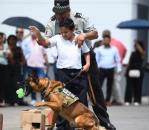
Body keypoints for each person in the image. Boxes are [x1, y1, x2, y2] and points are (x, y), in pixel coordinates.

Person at [45, 0, 116, 129]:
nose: (60, 16)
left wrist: (84, 35)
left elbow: (95, 33)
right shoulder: (52, 22)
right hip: (65, 63)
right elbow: (46, 40)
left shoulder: (80, 17)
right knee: (64, 94)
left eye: (62, 13)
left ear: (68, 9)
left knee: (94, 92)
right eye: (57, 13)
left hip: (85, 59)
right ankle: (65, 125)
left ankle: (104, 121)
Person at [29, 17, 90, 130]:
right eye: (61, 32)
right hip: (63, 73)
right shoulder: (57, 38)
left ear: (73, 30)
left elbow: (86, 52)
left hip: (78, 73)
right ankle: (62, 126)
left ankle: (82, 125)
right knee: (61, 101)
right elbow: (44, 42)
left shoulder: (79, 38)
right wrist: (38, 33)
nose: (64, 34)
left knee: (81, 101)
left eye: (66, 32)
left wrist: (87, 64)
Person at [94, 35, 122, 106]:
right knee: (99, 85)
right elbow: (96, 60)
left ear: (110, 41)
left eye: (107, 40)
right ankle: (98, 100)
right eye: (105, 40)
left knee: (109, 86)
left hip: (111, 69)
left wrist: (119, 69)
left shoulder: (114, 49)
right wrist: (96, 69)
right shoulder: (99, 49)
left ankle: (108, 100)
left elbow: (118, 60)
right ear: (103, 41)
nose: (106, 41)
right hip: (102, 69)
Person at [102, 30, 126, 106]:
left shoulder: (114, 46)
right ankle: (113, 99)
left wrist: (119, 65)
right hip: (102, 67)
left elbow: (118, 58)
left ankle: (113, 100)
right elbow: (125, 50)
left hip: (112, 67)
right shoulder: (100, 45)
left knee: (112, 85)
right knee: (111, 85)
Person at [124, 40, 145, 106]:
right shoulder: (133, 53)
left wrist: (137, 43)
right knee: (129, 87)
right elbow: (129, 62)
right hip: (130, 70)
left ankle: (137, 100)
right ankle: (128, 100)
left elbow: (142, 52)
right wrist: (126, 70)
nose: (135, 46)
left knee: (138, 86)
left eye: (136, 45)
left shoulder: (142, 52)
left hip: (138, 71)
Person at [7, 35, 25, 106]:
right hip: (8, 69)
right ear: (8, 41)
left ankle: (20, 100)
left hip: (17, 69)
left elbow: (23, 59)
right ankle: (11, 101)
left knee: (19, 85)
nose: (12, 41)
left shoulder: (19, 48)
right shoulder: (6, 49)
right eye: (10, 39)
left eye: (14, 39)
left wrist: (21, 64)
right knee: (10, 85)